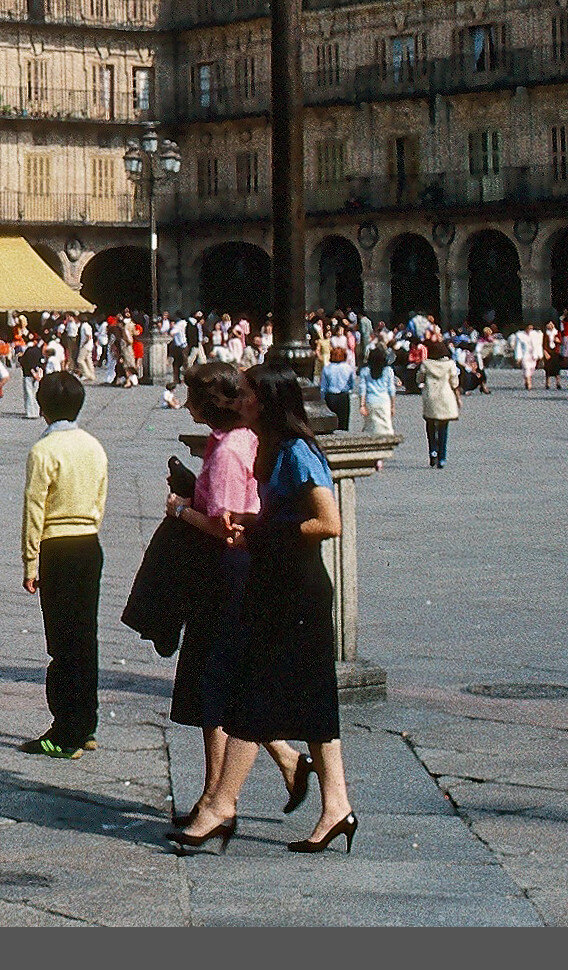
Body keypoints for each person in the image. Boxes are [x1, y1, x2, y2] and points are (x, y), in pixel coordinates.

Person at [178, 368, 356, 854]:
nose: (239, 400)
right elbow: (282, 517)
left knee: (252, 693)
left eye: (247, 393)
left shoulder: (297, 451)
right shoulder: (271, 448)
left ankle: (221, 805)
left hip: (296, 589)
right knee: (315, 700)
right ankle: (337, 806)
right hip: (280, 583)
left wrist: (264, 531)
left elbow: (329, 522)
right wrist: (252, 520)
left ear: (267, 401)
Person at [165, 364, 313, 832]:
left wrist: (181, 510)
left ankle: (218, 798)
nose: (185, 404)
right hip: (229, 571)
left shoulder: (230, 449)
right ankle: (226, 789)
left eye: (191, 396)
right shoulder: (233, 441)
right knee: (216, 681)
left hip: (229, 572)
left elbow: (225, 527)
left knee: (217, 680)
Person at [20, 370, 107, 758]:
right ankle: (86, 723)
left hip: (56, 547)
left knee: (61, 643)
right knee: (85, 638)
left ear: (42, 407)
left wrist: (30, 561)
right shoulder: (94, 446)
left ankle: (65, 731)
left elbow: (34, 508)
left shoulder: (43, 450)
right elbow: (100, 497)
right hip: (88, 543)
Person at [419, 341, 462, 468]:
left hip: (431, 397)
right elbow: (454, 383)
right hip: (445, 397)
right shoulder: (450, 364)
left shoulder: (426, 364)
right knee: (443, 427)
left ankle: (433, 451)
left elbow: (419, 379)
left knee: (430, 424)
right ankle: (442, 457)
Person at [355, 349, 397, 437]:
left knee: (370, 426)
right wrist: (393, 406)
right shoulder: (388, 370)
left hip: (370, 400)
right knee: (386, 426)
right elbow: (391, 389)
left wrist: (362, 405)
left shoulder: (365, 371)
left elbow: (362, 389)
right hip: (384, 401)